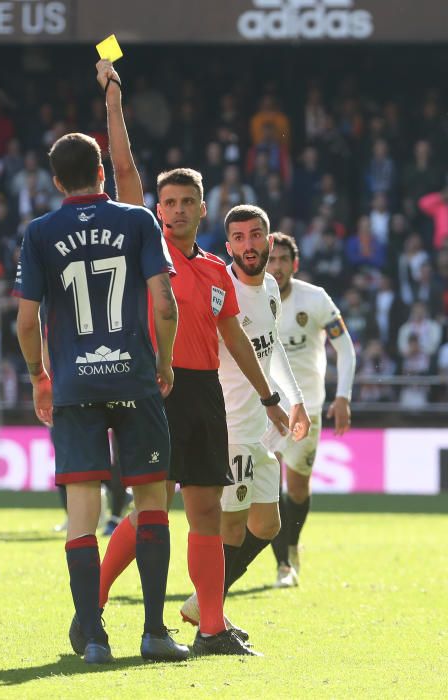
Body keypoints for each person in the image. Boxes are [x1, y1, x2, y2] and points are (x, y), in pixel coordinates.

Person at [94, 59, 301, 656]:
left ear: (202, 209)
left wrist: (269, 399)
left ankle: (211, 628)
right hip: (157, 387)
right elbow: (125, 170)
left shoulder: (215, 270)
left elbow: (233, 335)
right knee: (149, 507)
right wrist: (113, 102)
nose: (178, 210)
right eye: (169, 202)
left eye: (188, 201)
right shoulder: (146, 244)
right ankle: (96, 602)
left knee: (207, 511)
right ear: (156, 210)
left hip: (205, 390)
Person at [14, 130, 189, 664]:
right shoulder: (137, 221)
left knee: (82, 513)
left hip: (75, 385)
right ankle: (155, 632)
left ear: (56, 180)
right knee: (152, 503)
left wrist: (39, 377)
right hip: (134, 379)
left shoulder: (40, 232)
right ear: (100, 174)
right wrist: (162, 365)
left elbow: (26, 320)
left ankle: (93, 637)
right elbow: (165, 303)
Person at [179, 204, 310, 630]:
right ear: (229, 244)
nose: (248, 245)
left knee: (268, 524)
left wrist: (295, 400)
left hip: (263, 427)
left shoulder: (270, 286)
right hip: (232, 426)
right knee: (230, 527)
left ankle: (204, 603)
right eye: (238, 238)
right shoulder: (220, 289)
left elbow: (271, 352)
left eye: (255, 236)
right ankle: (209, 614)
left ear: (268, 242)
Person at [267, 232, 356, 586]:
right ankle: (283, 566)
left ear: (295, 264)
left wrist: (344, 396)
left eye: (283, 260)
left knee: (297, 490)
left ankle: (291, 546)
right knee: (268, 486)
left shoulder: (315, 299)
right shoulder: (252, 297)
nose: (276, 266)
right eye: (271, 259)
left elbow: (345, 348)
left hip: (309, 408)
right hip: (266, 407)